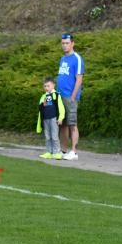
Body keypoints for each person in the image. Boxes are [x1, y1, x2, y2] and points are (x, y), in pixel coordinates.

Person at [57, 32, 85, 161]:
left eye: (67, 43)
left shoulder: (77, 59)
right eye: (63, 43)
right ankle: (63, 150)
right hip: (60, 96)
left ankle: (74, 151)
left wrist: (73, 96)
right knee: (62, 124)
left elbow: (79, 79)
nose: (64, 46)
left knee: (72, 124)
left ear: (72, 44)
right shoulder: (62, 59)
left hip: (70, 97)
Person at [37, 77, 65, 159]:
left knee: (54, 136)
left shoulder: (56, 95)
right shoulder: (43, 96)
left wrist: (60, 118)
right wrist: (42, 105)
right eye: (45, 86)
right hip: (45, 119)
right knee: (48, 136)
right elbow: (40, 108)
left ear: (53, 85)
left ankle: (57, 152)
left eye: (48, 86)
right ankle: (49, 152)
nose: (46, 88)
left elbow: (61, 107)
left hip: (54, 119)